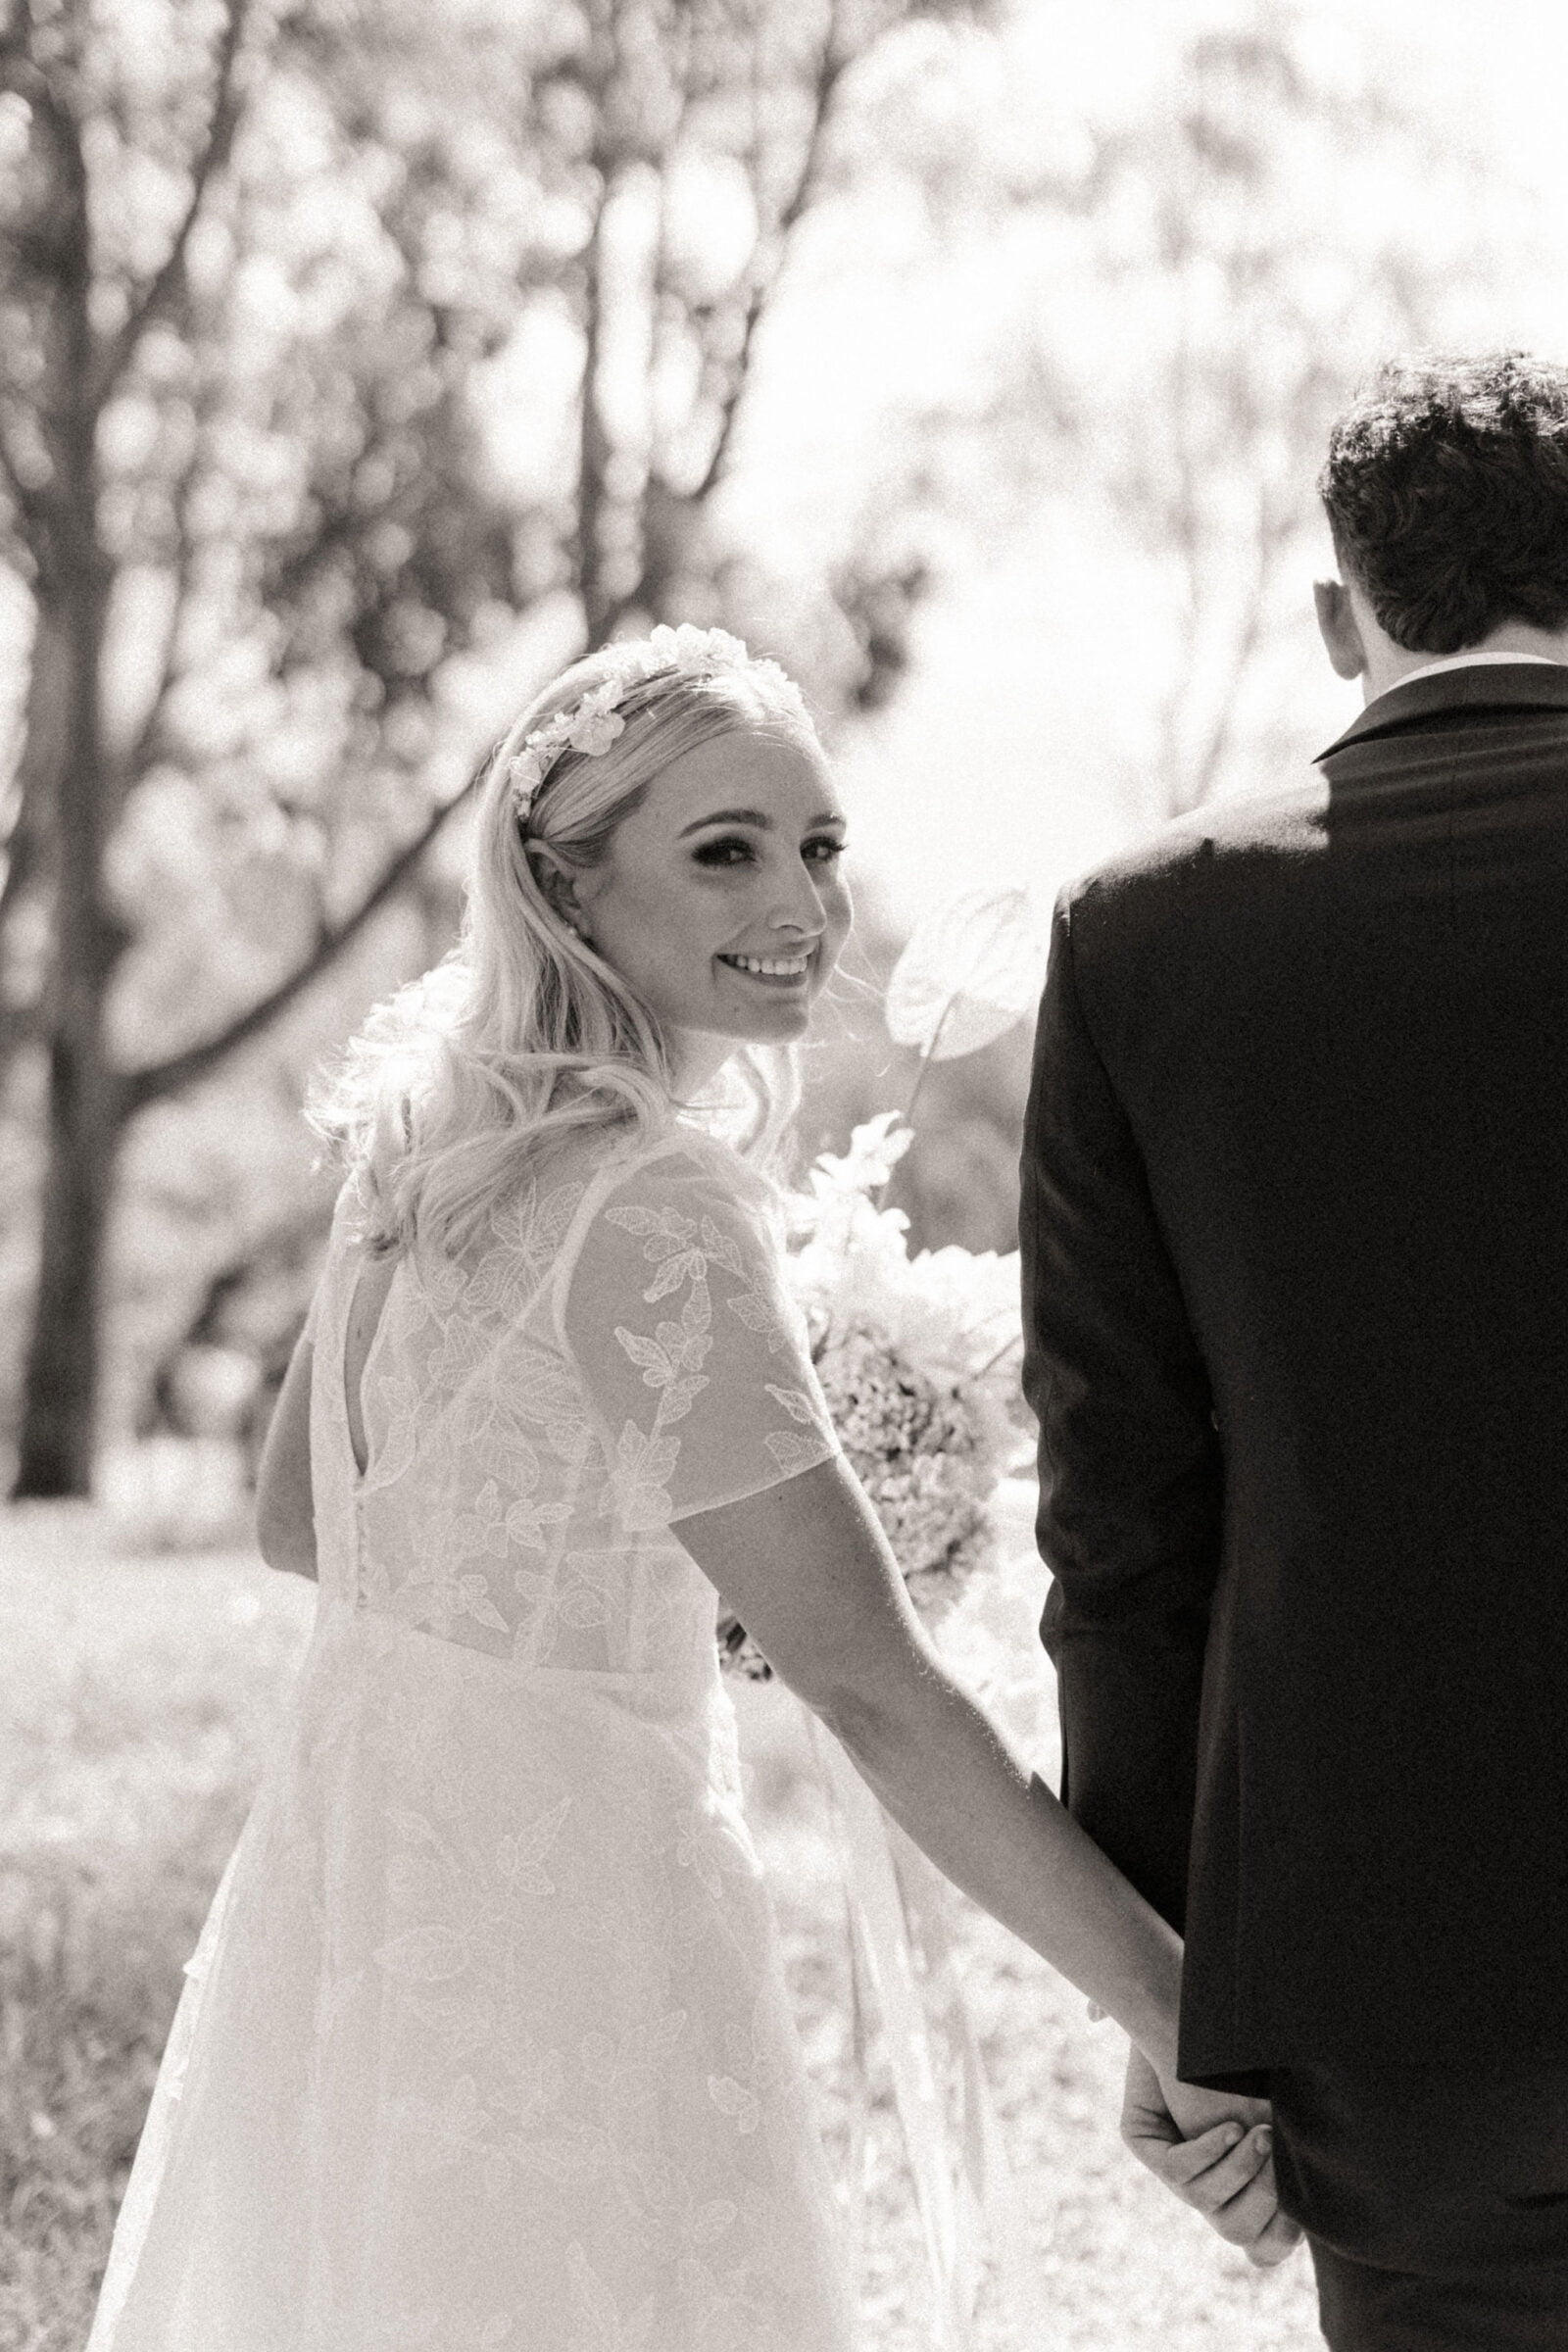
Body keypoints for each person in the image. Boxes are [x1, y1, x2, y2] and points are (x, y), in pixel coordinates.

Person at [86, 623, 1288, 2352]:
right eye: (724, 851)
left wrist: (642, 1533)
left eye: (819, 845)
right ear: (563, 885)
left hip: (359, 1893)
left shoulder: (419, 1142)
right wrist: (1178, 2012)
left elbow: (308, 1521)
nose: (801, 902)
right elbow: (870, 1688)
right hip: (572, 1918)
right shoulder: (653, 1201)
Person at [1020, 349, 1568, 2351]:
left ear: (1341, 619)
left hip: (1383, 1959)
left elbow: (1121, 1517)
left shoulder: (1143, 933)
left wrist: (1163, 1980)